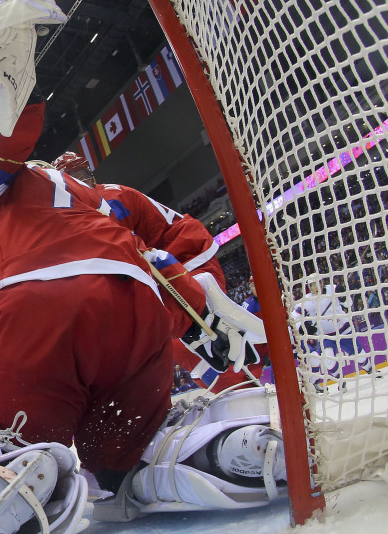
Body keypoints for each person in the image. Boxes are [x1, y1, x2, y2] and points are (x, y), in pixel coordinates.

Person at [0, 0, 289, 534]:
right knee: (121, 461)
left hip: (36, 308)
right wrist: (205, 297)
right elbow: (192, 240)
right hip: (137, 313)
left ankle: (13, 477)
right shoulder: (110, 200)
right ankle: (200, 451)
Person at [51, 151, 264, 392]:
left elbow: (133, 254)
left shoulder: (104, 203)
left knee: (194, 339)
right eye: (74, 178)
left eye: (83, 176)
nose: (81, 184)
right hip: (174, 260)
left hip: (187, 259)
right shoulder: (94, 204)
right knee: (180, 345)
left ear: (91, 176)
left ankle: (247, 391)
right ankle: (239, 388)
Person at [291, 274, 377, 392]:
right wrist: (302, 327)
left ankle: (370, 369)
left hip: (343, 329)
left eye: (317, 283)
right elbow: (294, 317)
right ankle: (341, 380)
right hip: (326, 336)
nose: (316, 286)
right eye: (312, 284)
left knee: (358, 355)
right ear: (309, 287)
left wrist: (343, 298)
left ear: (322, 283)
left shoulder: (333, 289)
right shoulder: (307, 302)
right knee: (328, 360)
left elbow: (349, 304)